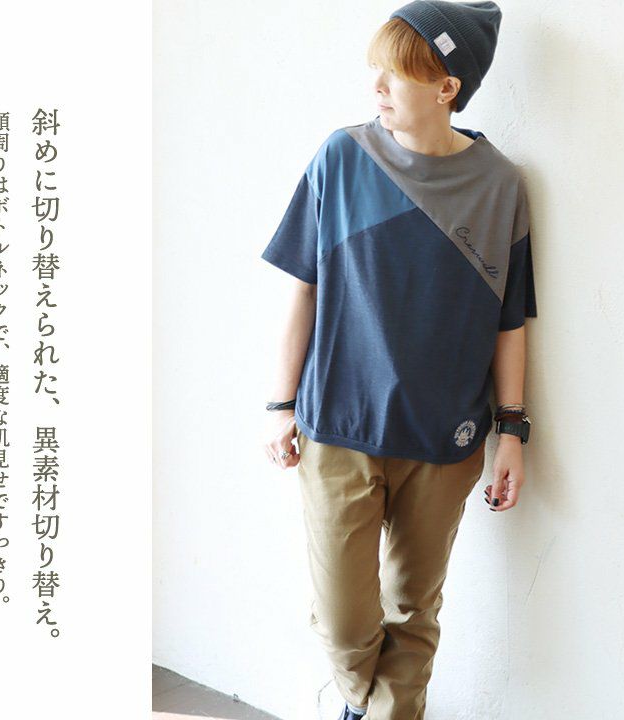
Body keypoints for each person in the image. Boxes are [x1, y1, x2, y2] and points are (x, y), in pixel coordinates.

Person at [260, 2, 537, 719]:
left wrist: (513, 431)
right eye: (375, 70)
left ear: (447, 87)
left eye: (396, 72)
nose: (377, 86)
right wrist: (280, 405)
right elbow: (303, 289)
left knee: (414, 613)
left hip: (445, 438)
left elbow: (510, 322)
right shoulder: (341, 158)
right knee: (344, 621)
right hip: (339, 426)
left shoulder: (501, 186)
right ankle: (363, 704)